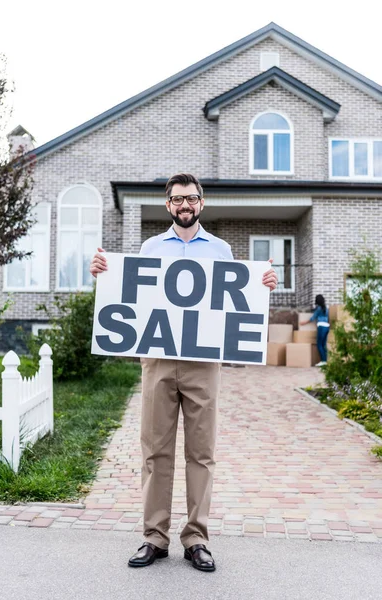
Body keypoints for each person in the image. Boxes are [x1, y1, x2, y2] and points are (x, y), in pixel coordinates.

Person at [90, 173, 278, 572]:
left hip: (203, 364)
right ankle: (153, 537)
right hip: (157, 360)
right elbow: (130, 294)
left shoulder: (222, 250)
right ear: (168, 205)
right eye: (177, 199)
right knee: (155, 450)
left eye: (191, 198)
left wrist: (264, 285)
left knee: (201, 451)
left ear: (202, 203)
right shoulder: (150, 246)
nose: (184, 205)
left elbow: (238, 299)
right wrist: (104, 273)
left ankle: (196, 538)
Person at [300, 294, 330, 366]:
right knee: (324, 344)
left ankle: (323, 361)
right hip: (327, 327)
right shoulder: (326, 308)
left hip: (321, 327)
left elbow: (313, 318)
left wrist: (304, 323)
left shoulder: (319, 309)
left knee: (319, 344)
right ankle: (325, 361)